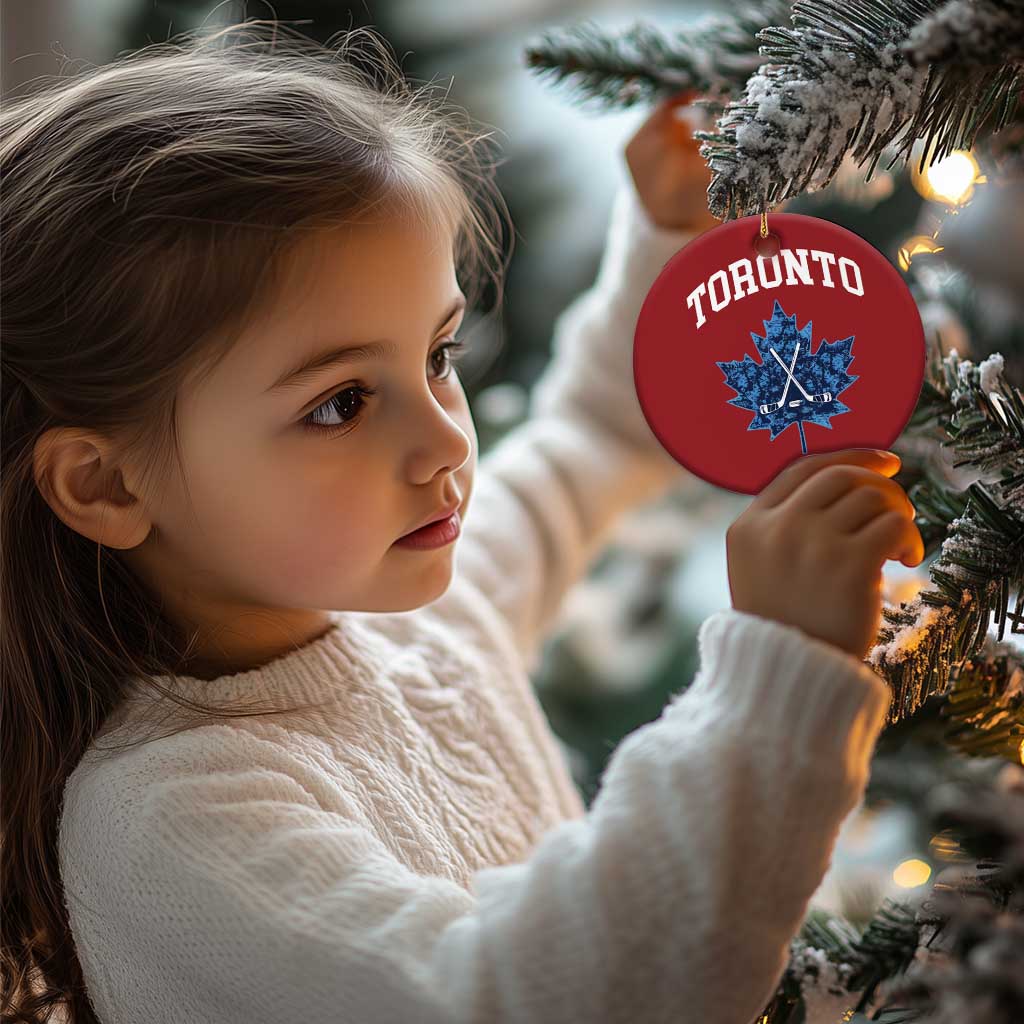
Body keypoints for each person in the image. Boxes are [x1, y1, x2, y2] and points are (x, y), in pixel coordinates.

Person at [0, 20, 923, 1024]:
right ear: (106, 487)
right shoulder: (169, 817)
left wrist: (668, 239)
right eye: (340, 402)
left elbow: (593, 438)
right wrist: (776, 676)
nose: (443, 442)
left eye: (436, 357)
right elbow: (531, 1000)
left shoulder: (424, 620)